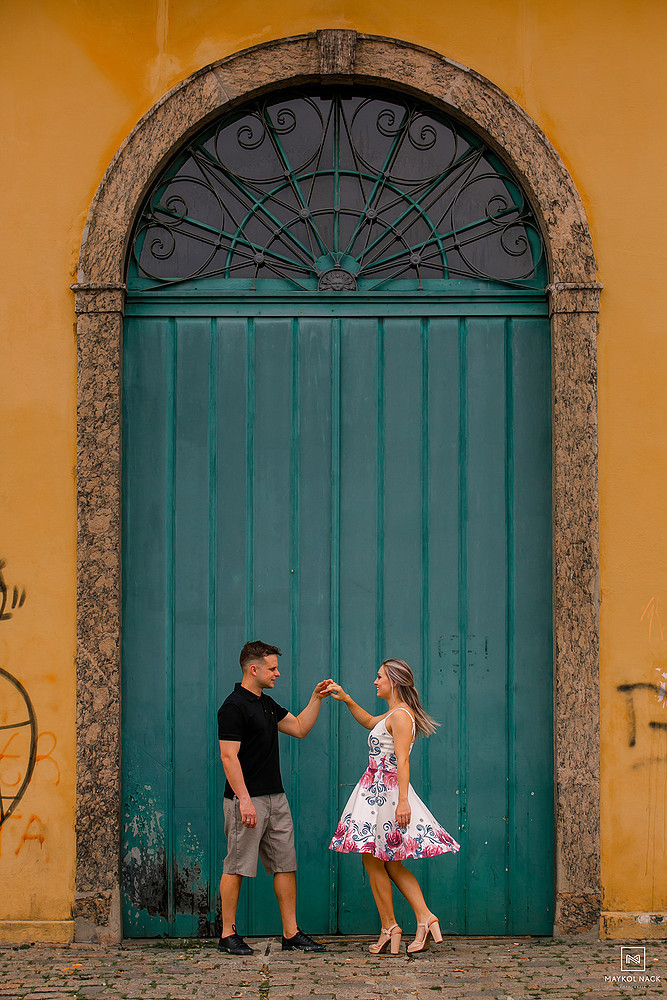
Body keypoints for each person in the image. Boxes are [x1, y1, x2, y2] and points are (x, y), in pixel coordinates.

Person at [326, 659, 460, 954]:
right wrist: (346, 698)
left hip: (385, 794)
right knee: (383, 861)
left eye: (379, 677)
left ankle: (402, 923)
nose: (375, 681)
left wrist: (402, 803)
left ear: (394, 682)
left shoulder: (400, 716)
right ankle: (410, 921)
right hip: (377, 791)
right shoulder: (393, 713)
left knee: (379, 860)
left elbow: (403, 760)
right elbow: (368, 722)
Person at [218, 640, 331, 955]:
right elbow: (229, 757)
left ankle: (291, 934)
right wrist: (244, 800)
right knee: (237, 865)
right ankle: (227, 935)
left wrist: (315, 698)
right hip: (246, 800)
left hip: (276, 799)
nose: (277, 673)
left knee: (285, 865)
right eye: (272, 668)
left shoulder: (266, 704)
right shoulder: (233, 707)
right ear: (253, 669)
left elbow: (299, 727)